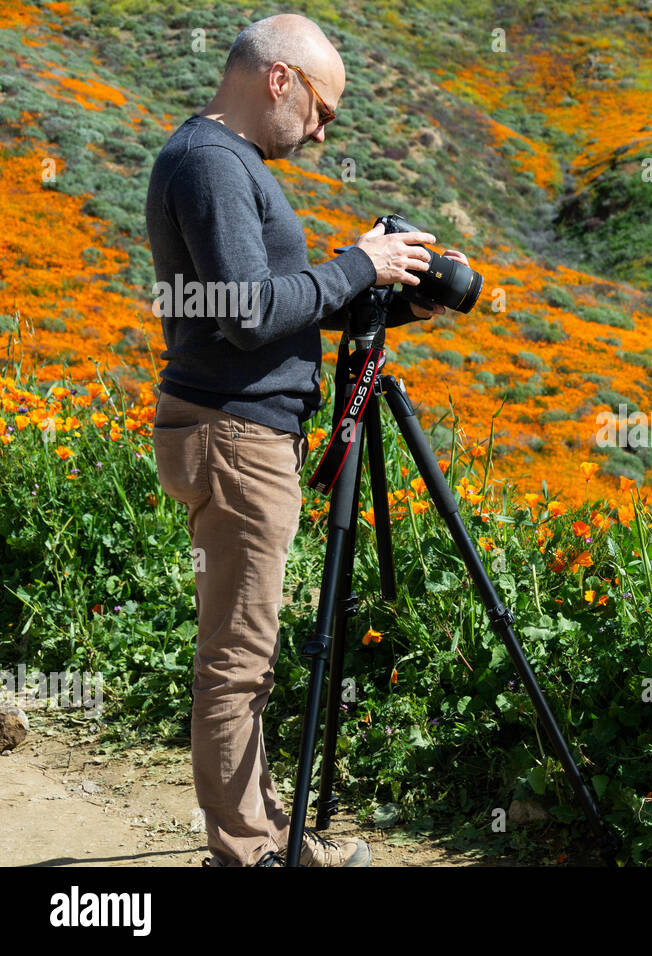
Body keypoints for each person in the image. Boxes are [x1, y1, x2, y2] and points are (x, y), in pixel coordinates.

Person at [145, 12, 470, 867]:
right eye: (323, 109)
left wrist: (392, 292)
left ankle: (264, 833)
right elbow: (251, 312)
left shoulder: (222, 161)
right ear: (279, 78)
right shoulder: (213, 162)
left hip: (230, 428)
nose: (324, 131)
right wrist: (360, 263)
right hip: (235, 434)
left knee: (242, 653)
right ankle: (251, 856)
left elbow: (264, 302)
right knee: (239, 662)